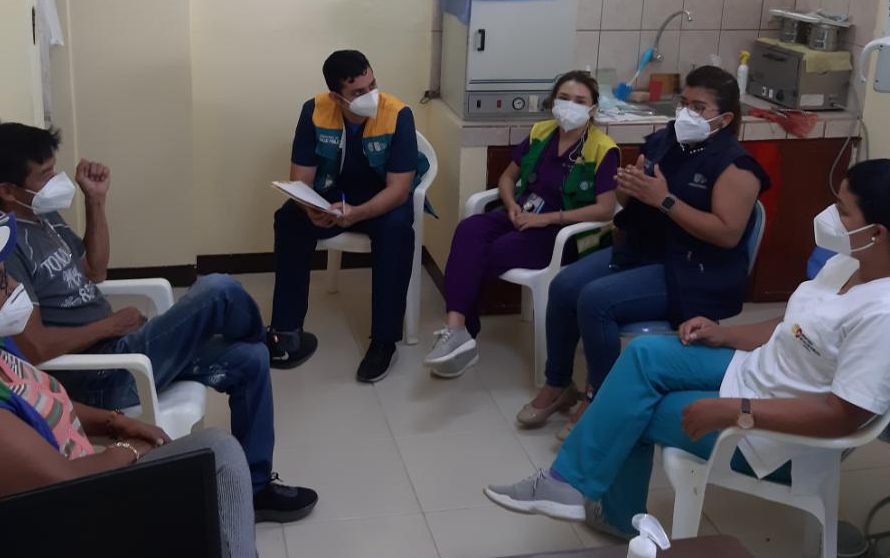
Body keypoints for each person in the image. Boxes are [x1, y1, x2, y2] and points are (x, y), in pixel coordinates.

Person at [485, 159, 890, 536]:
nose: (829, 216)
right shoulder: (851, 263)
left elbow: (842, 416)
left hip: (779, 442)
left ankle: (606, 509)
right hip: (758, 376)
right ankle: (572, 486)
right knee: (643, 356)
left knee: (634, 411)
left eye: (842, 210)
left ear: (878, 232)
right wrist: (724, 333)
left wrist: (736, 413)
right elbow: (796, 327)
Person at [0, 216, 261, 558]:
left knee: (211, 475)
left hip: (73, 489)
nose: (15, 287)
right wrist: (131, 448)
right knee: (218, 458)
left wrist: (114, 422)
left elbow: (39, 397)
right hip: (53, 538)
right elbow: (63, 485)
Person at [0, 122, 317, 523]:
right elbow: (35, 347)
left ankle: (254, 490)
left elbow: (95, 270)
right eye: (44, 175)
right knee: (218, 289)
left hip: (121, 347)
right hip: (100, 375)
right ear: (7, 190)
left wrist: (96, 201)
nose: (56, 180)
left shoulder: (42, 216)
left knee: (250, 359)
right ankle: (270, 338)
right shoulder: (2, 247)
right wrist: (109, 326)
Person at [517, 66, 770, 439]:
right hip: (643, 249)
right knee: (565, 285)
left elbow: (727, 234)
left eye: (698, 107)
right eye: (684, 102)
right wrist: (629, 187)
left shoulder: (737, 166)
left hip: (692, 270)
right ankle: (558, 384)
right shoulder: (667, 140)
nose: (686, 113)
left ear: (725, 118)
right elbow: (629, 200)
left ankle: (602, 399)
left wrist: (664, 200)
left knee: (596, 300)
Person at [424, 70, 619, 379]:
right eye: (564, 98)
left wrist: (547, 218)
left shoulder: (602, 149)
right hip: (520, 213)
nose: (570, 105)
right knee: (469, 230)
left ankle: (463, 333)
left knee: (489, 253)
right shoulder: (542, 132)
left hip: (560, 232)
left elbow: (606, 209)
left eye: (580, 101)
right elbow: (507, 177)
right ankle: (457, 329)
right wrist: (511, 203)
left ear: (593, 109)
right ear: (553, 101)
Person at [269, 49, 430, 383]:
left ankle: (384, 342)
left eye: (372, 85)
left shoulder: (398, 114)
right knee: (289, 219)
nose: (370, 96)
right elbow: (301, 179)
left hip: (382, 199)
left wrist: (356, 214)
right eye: (357, 92)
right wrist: (311, 208)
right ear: (336, 96)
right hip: (333, 197)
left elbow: (399, 190)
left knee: (397, 231)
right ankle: (285, 332)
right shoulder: (315, 110)